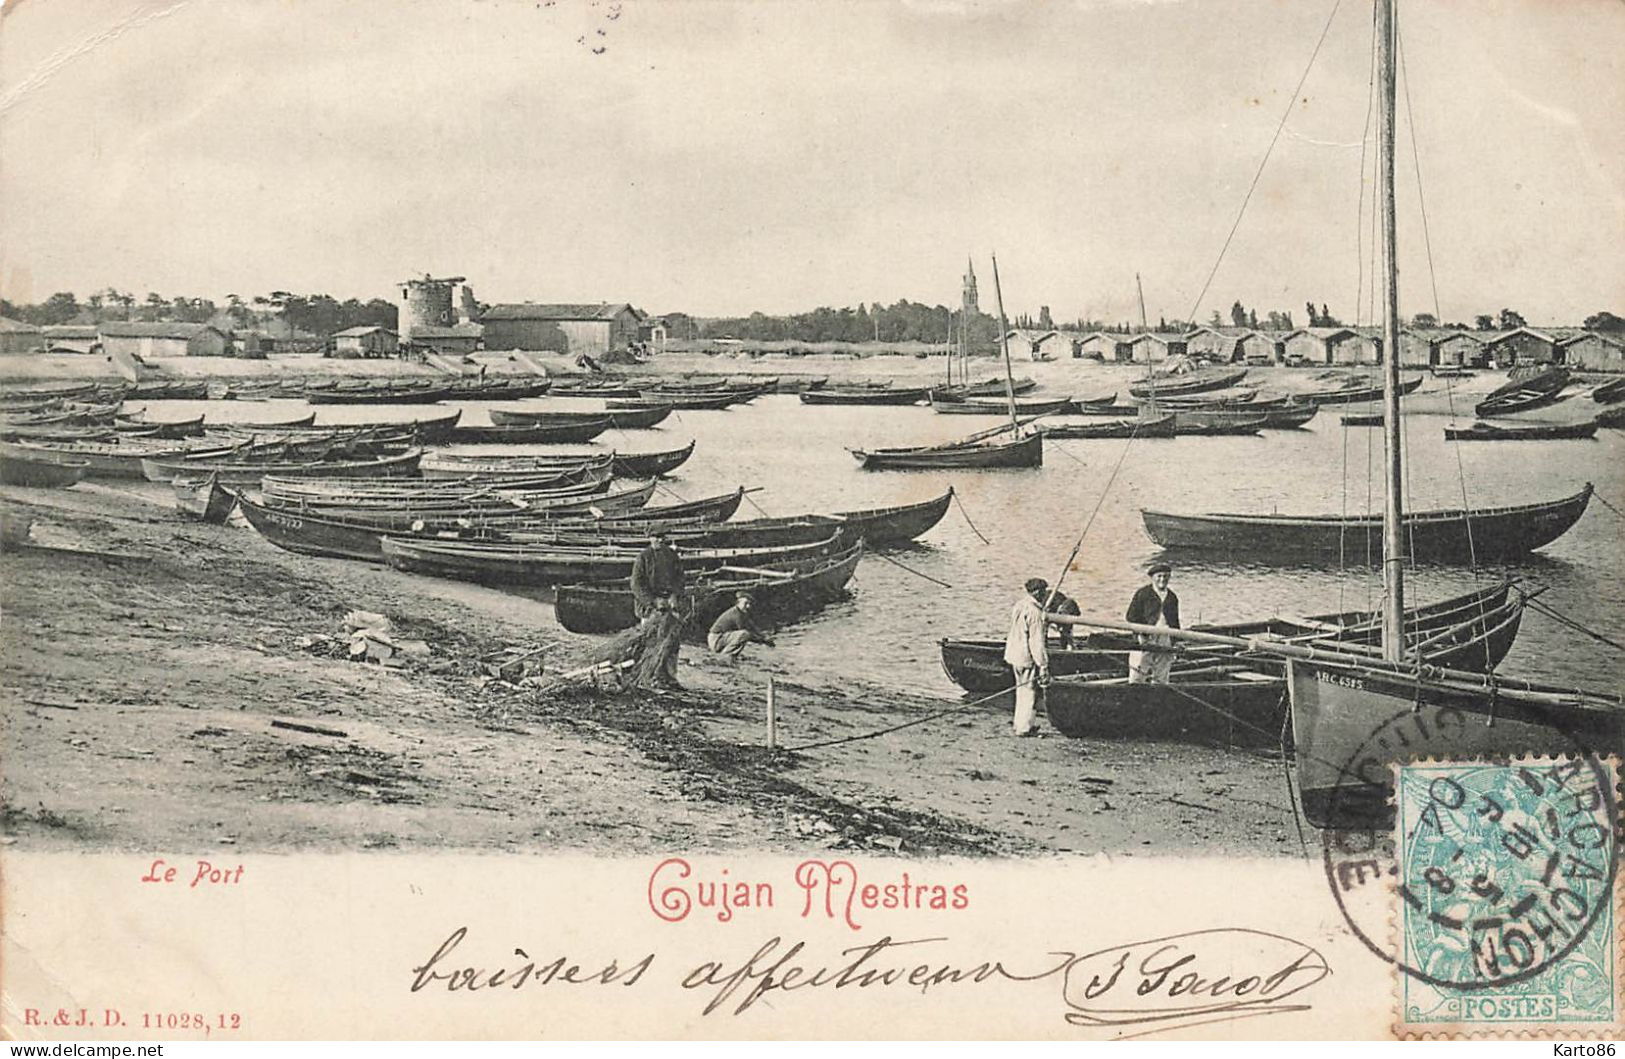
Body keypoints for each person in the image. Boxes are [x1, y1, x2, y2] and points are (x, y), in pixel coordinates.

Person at [630, 532, 684, 686]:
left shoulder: (672, 556)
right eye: (656, 537)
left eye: (662, 537)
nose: (659, 540)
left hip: (669, 604)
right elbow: (636, 585)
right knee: (651, 642)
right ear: (650, 538)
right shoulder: (643, 557)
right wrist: (653, 601)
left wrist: (675, 595)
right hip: (650, 607)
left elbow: (680, 579)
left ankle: (670, 677)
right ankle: (648, 676)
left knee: (672, 642)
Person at [1004, 577, 1051, 737]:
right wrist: (1043, 664)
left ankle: (1020, 724)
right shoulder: (1034, 612)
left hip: (1013, 653)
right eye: (1043, 591)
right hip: (1026, 656)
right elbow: (1036, 641)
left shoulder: (1019, 605)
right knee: (1029, 691)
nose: (1045, 594)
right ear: (1037, 592)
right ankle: (1024, 728)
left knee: (1020, 690)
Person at [1126, 562, 1180, 683]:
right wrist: (1140, 634)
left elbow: (1175, 621)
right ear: (1152, 578)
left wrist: (1175, 640)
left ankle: (1159, 690)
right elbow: (1131, 616)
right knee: (1139, 666)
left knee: (1162, 668)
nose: (1162, 579)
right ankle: (1135, 689)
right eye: (1159, 576)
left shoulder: (1172, 597)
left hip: (1165, 635)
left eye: (1166, 576)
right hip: (1146, 635)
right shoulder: (1143, 594)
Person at [706, 593, 776, 659]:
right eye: (745, 603)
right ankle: (726, 655)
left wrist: (764, 636)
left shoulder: (742, 613)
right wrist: (764, 640)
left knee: (743, 635)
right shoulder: (736, 614)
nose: (748, 606)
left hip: (722, 638)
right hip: (716, 639)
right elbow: (747, 633)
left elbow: (752, 626)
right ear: (738, 603)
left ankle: (732, 656)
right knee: (744, 634)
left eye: (749, 604)